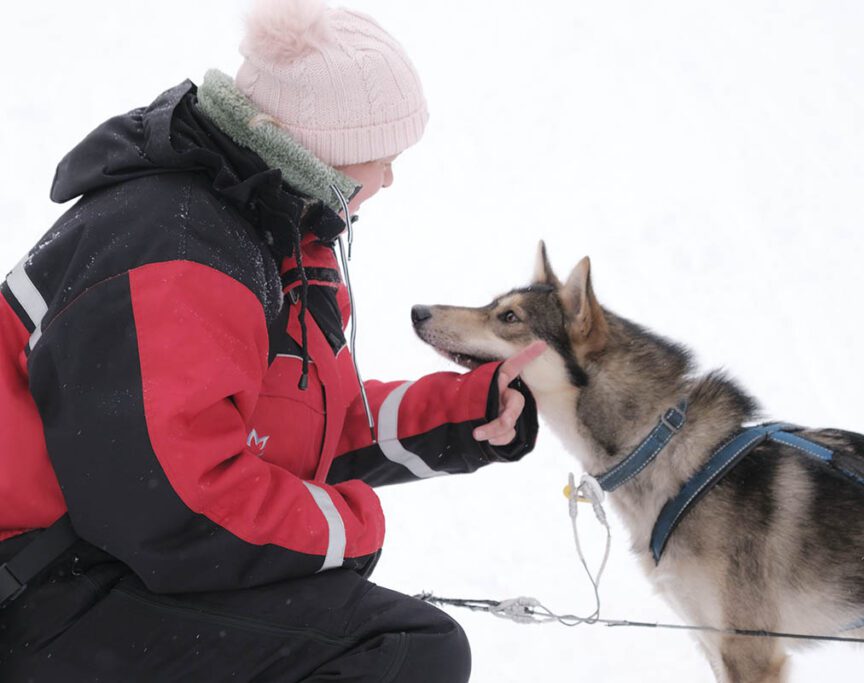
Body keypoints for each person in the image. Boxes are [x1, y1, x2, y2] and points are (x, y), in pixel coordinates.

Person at [0, 1, 544, 680]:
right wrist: (353, 527)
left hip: (100, 560)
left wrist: (465, 414)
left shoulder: (271, 234)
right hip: (39, 586)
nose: (389, 180)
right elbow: (169, 503)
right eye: (382, 158)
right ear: (321, 149)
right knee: (402, 649)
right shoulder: (176, 248)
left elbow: (296, 432)